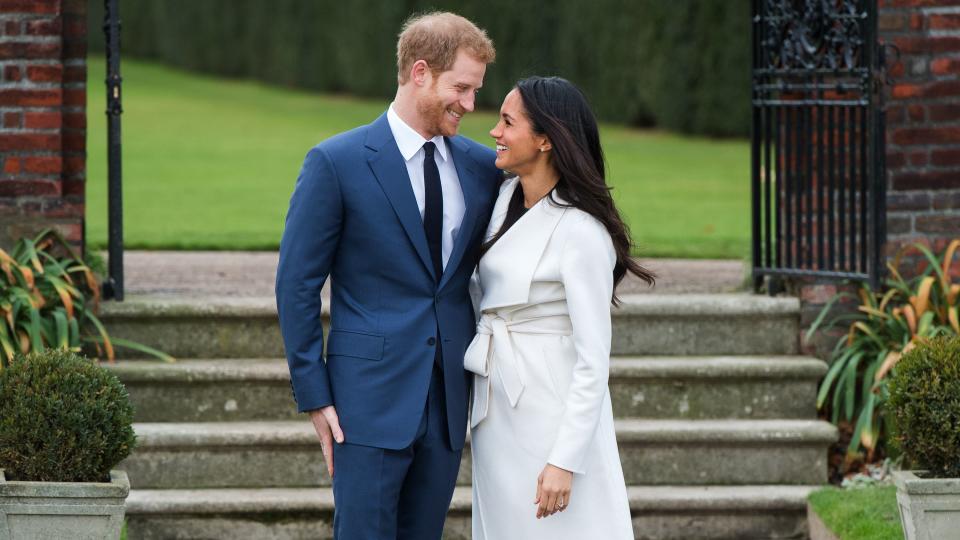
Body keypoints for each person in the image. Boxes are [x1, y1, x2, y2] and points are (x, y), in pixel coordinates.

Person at [275, 12, 500, 540]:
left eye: (475, 91)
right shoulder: (336, 162)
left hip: (447, 401)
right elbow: (297, 284)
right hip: (366, 402)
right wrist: (314, 393)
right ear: (420, 72)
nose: (470, 105)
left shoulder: (482, 168)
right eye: (461, 88)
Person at [466, 76, 654, 539]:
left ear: (546, 139)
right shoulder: (504, 197)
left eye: (508, 122)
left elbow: (594, 360)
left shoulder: (582, 233)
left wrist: (564, 461)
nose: (494, 131)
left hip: (551, 416)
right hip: (496, 406)